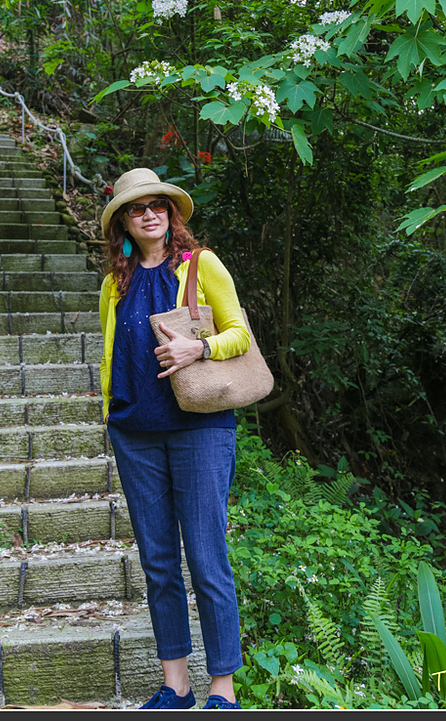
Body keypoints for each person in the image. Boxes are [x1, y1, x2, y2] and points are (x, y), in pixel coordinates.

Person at [99, 167, 249, 710]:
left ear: (170, 213)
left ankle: (222, 690)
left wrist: (199, 348)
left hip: (200, 429)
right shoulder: (114, 284)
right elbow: (111, 352)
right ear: (123, 223)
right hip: (135, 433)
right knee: (158, 562)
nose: (149, 214)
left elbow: (240, 335)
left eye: (157, 205)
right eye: (136, 209)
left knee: (207, 558)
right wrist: (111, 413)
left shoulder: (201, 265)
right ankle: (176, 686)